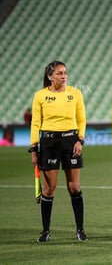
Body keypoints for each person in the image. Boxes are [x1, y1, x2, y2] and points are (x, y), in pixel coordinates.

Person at [29, 61, 87, 243]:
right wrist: (34, 148)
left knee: (74, 187)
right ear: (50, 76)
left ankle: (80, 230)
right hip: (49, 143)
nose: (64, 76)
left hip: (71, 141)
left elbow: (81, 118)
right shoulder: (40, 96)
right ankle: (45, 231)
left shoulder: (75, 93)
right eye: (59, 73)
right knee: (49, 189)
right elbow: (35, 123)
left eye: (65, 73)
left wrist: (80, 140)